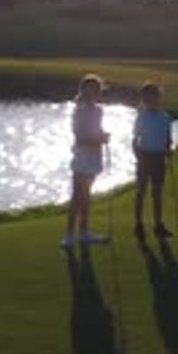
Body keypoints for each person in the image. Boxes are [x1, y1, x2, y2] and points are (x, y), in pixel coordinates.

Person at [61, 73, 110, 250]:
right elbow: (80, 137)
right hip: (82, 157)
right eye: (90, 90)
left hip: (95, 156)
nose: (94, 93)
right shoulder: (78, 111)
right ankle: (68, 235)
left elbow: (96, 130)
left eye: (96, 90)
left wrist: (103, 135)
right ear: (83, 91)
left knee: (87, 196)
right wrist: (99, 139)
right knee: (77, 196)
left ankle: (84, 232)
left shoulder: (98, 110)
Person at [133, 82, 172, 242]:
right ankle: (139, 224)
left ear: (158, 97)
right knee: (141, 191)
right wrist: (137, 155)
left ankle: (158, 225)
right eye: (146, 97)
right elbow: (135, 139)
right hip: (144, 155)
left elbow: (167, 138)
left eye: (153, 96)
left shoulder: (165, 117)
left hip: (159, 157)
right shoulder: (141, 116)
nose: (149, 99)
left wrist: (168, 148)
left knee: (157, 193)